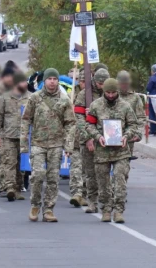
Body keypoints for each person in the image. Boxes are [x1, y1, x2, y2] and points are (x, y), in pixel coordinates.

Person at [20, 68, 75, 222]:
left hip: (56, 145)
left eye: (54, 79)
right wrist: (23, 143)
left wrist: (68, 145)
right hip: (38, 143)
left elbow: (70, 124)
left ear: (58, 81)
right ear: (44, 81)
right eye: (49, 79)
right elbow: (25, 120)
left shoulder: (64, 100)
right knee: (37, 175)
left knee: (52, 178)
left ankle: (49, 209)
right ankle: (35, 205)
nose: (52, 81)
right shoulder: (35, 98)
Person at [86, 78, 140, 224]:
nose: (110, 95)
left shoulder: (125, 106)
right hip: (102, 151)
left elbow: (133, 124)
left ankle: (118, 210)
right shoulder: (95, 106)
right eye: (108, 92)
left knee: (119, 179)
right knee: (103, 182)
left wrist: (126, 136)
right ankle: (106, 209)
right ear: (104, 91)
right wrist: (97, 137)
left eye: (113, 92)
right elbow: (89, 125)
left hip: (121, 151)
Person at [73, 67, 110, 213]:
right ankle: (92, 201)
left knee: (103, 172)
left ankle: (106, 202)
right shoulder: (84, 95)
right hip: (88, 139)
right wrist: (88, 137)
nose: (102, 86)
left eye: (104, 83)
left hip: (105, 140)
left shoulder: (111, 94)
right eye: (100, 83)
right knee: (89, 173)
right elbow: (79, 118)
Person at [0, 71, 31, 201]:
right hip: (8, 136)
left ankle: (18, 188)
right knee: (9, 162)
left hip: (25, 137)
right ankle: (9, 188)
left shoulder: (31, 97)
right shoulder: (4, 97)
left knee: (22, 165)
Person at [68, 68, 88, 208]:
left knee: (87, 169)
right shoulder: (71, 94)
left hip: (90, 138)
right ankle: (77, 193)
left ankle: (86, 193)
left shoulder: (95, 96)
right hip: (75, 137)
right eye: (81, 81)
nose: (83, 84)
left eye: (85, 81)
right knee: (76, 167)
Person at [117, 70, 146, 158]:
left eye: (126, 84)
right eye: (122, 84)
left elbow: (141, 117)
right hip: (112, 135)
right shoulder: (111, 95)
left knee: (124, 167)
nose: (124, 86)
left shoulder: (135, 98)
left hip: (129, 136)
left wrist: (138, 133)